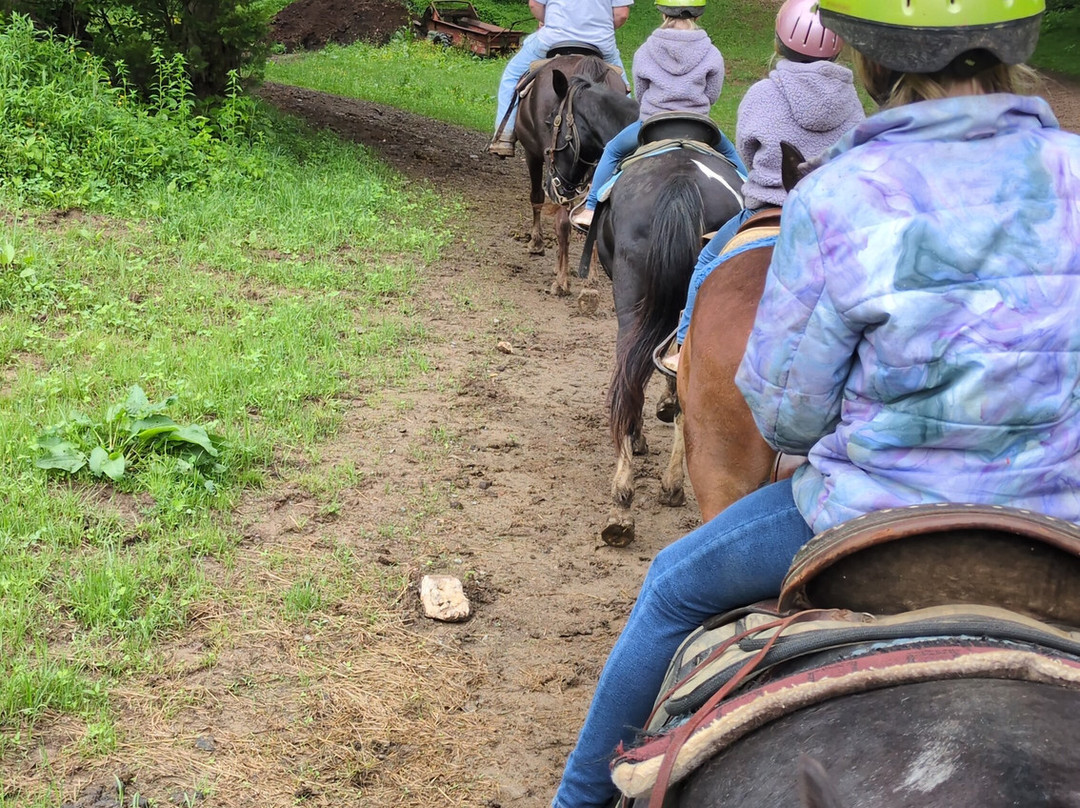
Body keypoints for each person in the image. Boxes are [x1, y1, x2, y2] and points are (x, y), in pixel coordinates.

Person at [551, 0, 1080, 806]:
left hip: (866, 520)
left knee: (670, 588)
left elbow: (787, 417)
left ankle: (577, 800)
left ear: (871, 59)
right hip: (1060, 526)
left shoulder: (838, 196)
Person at [662, 0, 864, 373]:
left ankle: (682, 344)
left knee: (706, 262)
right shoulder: (851, 100)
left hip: (765, 210)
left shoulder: (762, 94)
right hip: (827, 218)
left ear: (779, 42)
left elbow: (747, 153)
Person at [570, 0, 740, 230]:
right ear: (698, 16)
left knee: (612, 150)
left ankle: (590, 208)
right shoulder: (711, 52)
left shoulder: (646, 50)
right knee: (731, 155)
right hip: (698, 127)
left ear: (662, 14)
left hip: (652, 126)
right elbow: (712, 94)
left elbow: (640, 93)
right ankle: (754, 206)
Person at [489, 0, 633, 158]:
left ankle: (504, 137)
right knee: (624, 90)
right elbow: (621, 14)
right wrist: (596, 28)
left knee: (512, 75)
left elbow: (534, 5)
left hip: (553, 40)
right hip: (600, 44)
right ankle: (630, 146)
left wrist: (549, 20)